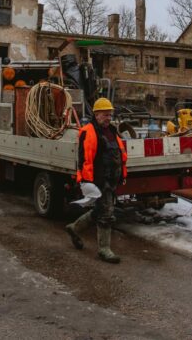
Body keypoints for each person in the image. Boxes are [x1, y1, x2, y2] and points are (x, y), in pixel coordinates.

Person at [64, 97, 128, 264]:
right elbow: (85, 160)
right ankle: (104, 249)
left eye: (110, 114)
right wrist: (88, 182)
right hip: (99, 181)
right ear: (97, 114)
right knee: (106, 214)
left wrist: (122, 175)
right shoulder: (89, 131)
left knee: (99, 210)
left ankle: (74, 228)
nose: (108, 117)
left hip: (111, 180)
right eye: (105, 114)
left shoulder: (112, 131)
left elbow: (119, 155)